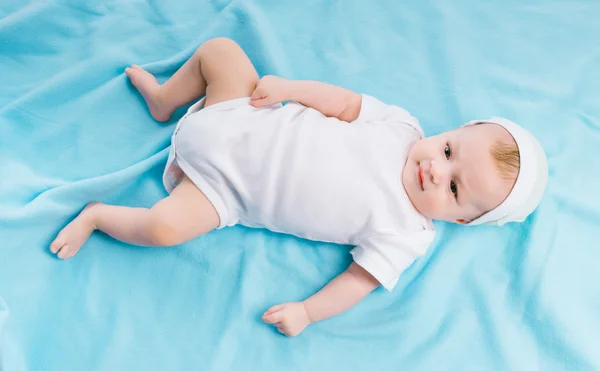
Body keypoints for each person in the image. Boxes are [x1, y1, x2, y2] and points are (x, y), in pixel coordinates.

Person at [50, 37, 548, 337]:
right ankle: (165, 100)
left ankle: (96, 215)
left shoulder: (407, 232)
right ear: (451, 132)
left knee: (164, 227)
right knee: (220, 52)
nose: (437, 172)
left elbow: (357, 281)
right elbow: (345, 103)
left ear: (460, 220)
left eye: (455, 190)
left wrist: (308, 312)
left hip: (225, 192)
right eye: (448, 151)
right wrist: (289, 90)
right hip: (242, 112)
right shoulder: (403, 127)